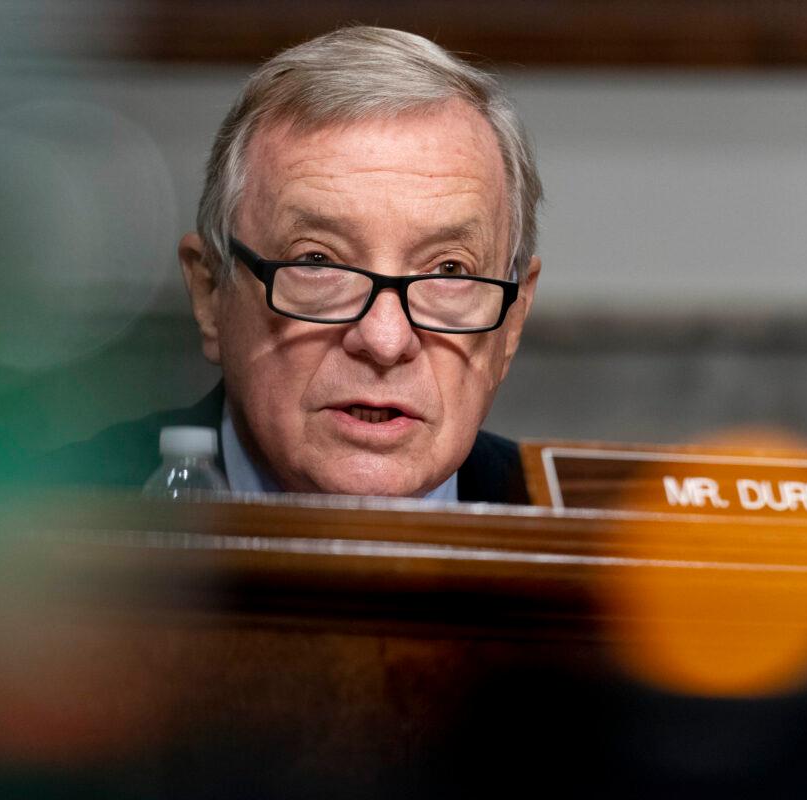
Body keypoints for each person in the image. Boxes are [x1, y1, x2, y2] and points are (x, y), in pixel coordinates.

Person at [50, 26, 543, 503]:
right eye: (317, 261)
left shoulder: (603, 554)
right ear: (210, 292)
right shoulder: (31, 528)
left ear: (514, 321)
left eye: (448, 272)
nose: (385, 340)